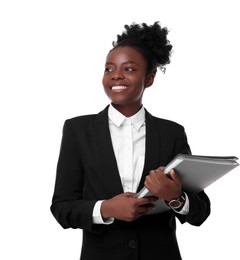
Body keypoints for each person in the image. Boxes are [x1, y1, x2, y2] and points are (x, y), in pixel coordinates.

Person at [50, 21, 211, 260]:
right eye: (109, 68)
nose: (116, 75)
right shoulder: (77, 129)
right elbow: (62, 207)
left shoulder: (172, 133)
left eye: (129, 69)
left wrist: (175, 196)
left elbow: (201, 211)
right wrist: (106, 208)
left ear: (149, 79)